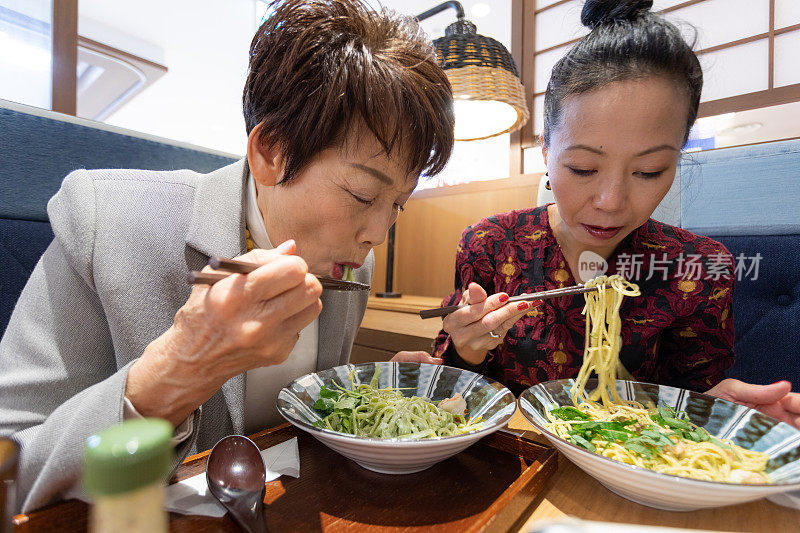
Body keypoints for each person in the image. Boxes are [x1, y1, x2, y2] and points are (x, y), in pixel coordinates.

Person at [0, 0, 453, 512]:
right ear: (271, 152)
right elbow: (10, 469)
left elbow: (297, 421)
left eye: (398, 204)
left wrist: (375, 395)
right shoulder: (106, 219)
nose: (378, 233)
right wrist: (178, 370)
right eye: (363, 195)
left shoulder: (353, 267)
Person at [433, 0, 800, 428]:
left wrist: (718, 415)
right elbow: (450, 397)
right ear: (546, 149)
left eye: (648, 171)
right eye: (584, 168)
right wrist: (466, 351)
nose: (611, 201)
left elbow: (691, 403)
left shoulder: (699, 267)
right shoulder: (491, 245)